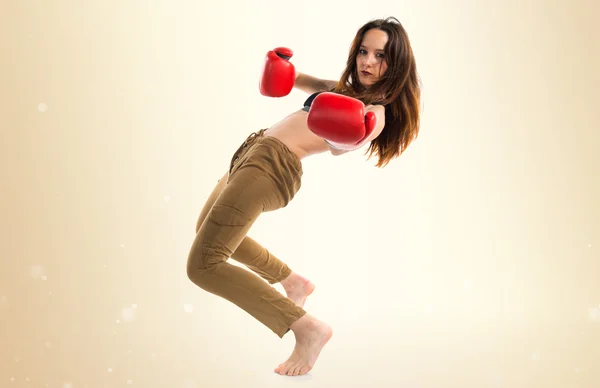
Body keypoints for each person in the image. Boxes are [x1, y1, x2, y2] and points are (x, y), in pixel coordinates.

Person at [186, 16, 421, 376]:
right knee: (205, 230)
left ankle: (306, 327)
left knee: (203, 265)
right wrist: (280, 67)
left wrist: (360, 128)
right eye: (363, 51)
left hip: (272, 166)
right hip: (252, 151)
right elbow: (296, 80)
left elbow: (356, 138)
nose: (368, 62)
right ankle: (293, 282)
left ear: (397, 64)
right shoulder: (340, 88)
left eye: (381, 56)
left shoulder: (377, 111)